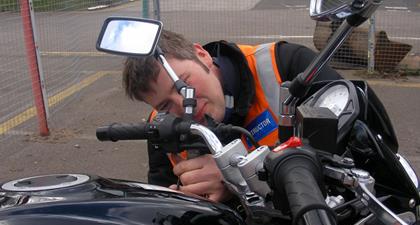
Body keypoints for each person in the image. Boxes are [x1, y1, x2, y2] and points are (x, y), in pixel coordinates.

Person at [122, 30, 341, 202]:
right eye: (165, 104)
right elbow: (164, 192)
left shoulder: (285, 64)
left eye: (184, 83)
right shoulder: (161, 127)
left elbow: (356, 142)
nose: (183, 103)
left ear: (202, 55)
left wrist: (236, 177)